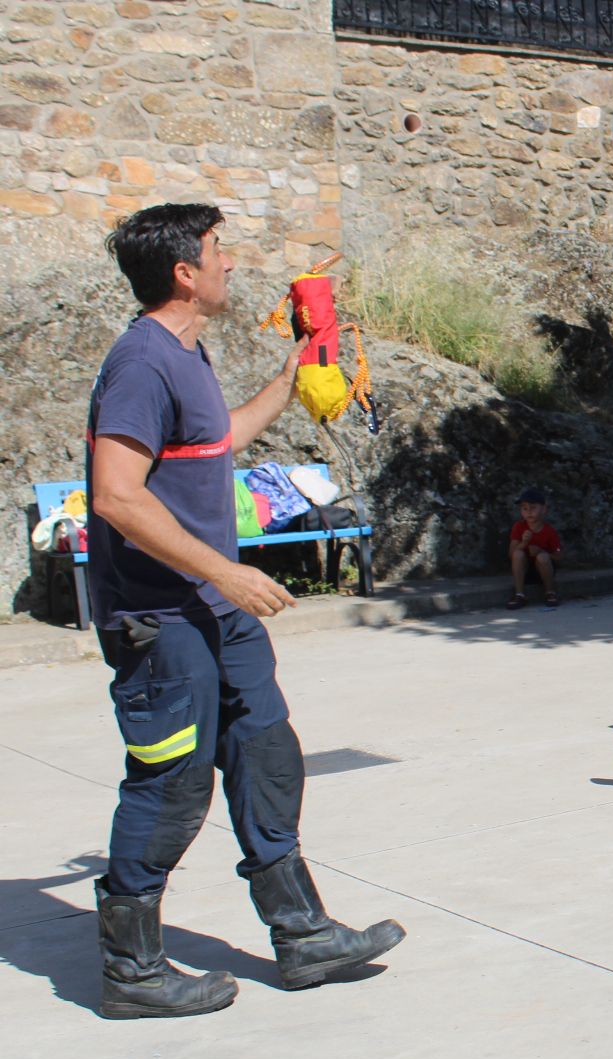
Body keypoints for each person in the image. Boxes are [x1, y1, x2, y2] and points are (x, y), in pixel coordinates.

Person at [84, 202, 403, 1017]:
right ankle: (131, 970)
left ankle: (302, 936)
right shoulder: (139, 363)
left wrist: (294, 375)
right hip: (160, 616)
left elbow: (215, 438)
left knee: (266, 752)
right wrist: (223, 573)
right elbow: (117, 498)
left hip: (211, 610)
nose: (231, 263)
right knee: (172, 783)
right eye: (218, 251)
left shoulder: (188, 353)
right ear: (184, 274)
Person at [507, 486, 561, 610]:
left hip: (543, 570)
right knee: (518, 554)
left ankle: (550, 592)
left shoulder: (549, 531)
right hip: (523, 572)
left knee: (542, 557)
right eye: (525, 508)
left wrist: (540, 551)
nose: (529, 512)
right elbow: (511, 555)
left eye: (533, 508)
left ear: (544, 509)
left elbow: (558, 557)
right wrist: (523, 543)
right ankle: (519, 594)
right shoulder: (519, 527)